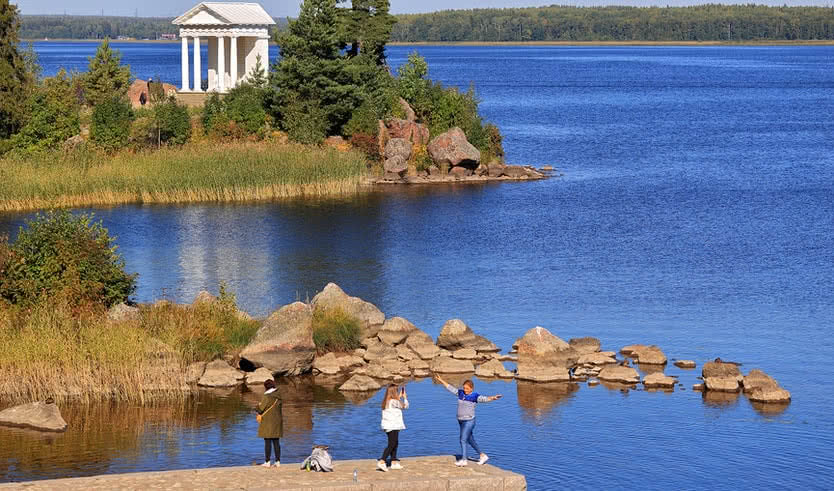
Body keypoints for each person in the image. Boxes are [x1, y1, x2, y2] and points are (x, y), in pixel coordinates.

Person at [434, 375, 502, 467]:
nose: (465, 390)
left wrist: (493, 397)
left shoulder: (474, 396)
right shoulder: (461, 393)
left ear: (471, 388)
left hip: (469, 421)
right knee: (470, 439)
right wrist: (441, 380)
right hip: (461, 421)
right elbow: (450, 388)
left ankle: (464, 460)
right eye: (464, 388)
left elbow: (485, 399)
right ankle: (483, 455)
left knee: (462, 439)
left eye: (467, 388)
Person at [377, 384, 409, 472]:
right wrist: (405, 397)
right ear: (394, 392)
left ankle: (394, 462)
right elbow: (405, 406)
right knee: (392, 444)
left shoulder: (387, 401)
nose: (398, 392)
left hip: (389, 425)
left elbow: (396, 403)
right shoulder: (394, 401)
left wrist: (399, 397)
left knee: (395, 443)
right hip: (393, 425)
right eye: (397, 391)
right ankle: (382, 461)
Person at [256, 379, 283, 468]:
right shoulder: (279, 396)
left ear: (266, 387)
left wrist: (257, 405)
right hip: (277, 421)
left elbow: (260, 409)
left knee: (267, 442)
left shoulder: (266, 396)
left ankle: (267, 462)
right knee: (276, 442)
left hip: (268, 422)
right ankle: (278, 461)